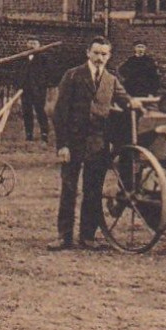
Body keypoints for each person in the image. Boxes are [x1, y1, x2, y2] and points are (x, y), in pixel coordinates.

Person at [48, 37, 131, 251]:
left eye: (104, 54)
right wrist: (62, 145)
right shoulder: (73, 75)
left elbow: (127, 101)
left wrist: (142, 106)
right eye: (96, 53)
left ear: (109, 56)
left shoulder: (111, 80)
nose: (100, 58)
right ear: (88, 53)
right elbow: (60, 113)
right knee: (69, 189)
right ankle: (64, 236)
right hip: (73, 142)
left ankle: (87, 236)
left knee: (93, 191)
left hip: (98, 143)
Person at [19, 38, 55, 144]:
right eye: (30, 43)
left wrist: (41, 85)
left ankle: (44, 134)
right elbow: (19, 72)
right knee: (27, 112)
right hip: (25, 89)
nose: (32, 45)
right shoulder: (23, 57)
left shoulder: (43, 58)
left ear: (39, 45)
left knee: (40, 111)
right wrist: (20, 85)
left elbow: (48, 72)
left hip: (38, 90)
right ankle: (29, 134)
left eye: (34, 43)